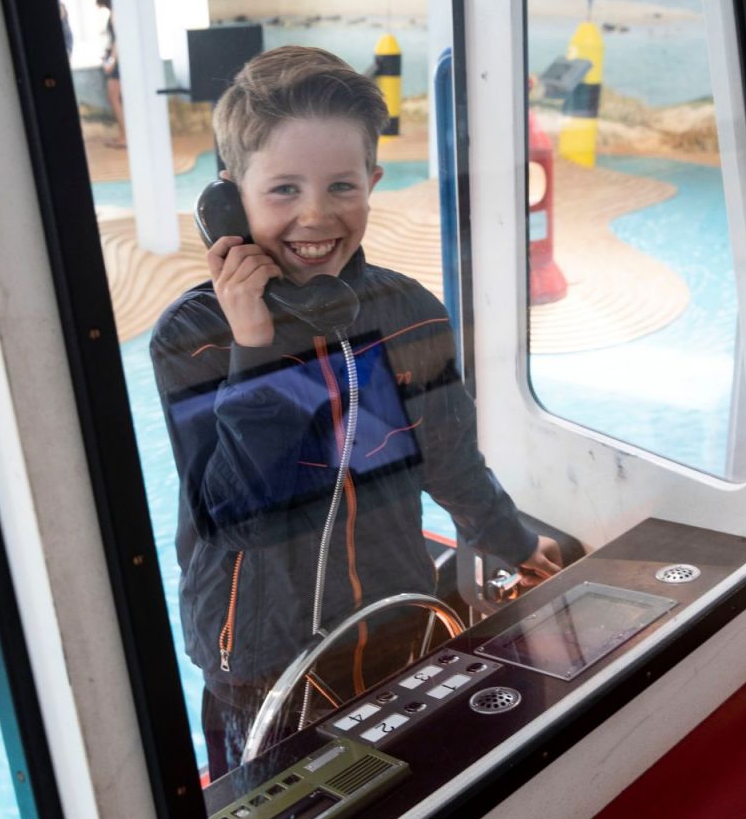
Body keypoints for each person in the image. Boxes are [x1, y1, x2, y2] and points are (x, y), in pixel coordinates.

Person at [150, 46, 562, 780]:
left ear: (373, 180)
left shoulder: (408, 314)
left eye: (342, 184)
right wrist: (257, 346)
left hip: (394, 616)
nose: (316, 214)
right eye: (281, 189)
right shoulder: (196, 337)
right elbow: (237, 514)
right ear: (228, 201)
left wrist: (512, 540)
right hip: (260, 654)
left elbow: (451, 458)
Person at [92, 0, 126, 149]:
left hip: (118, 63)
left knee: (113, 97)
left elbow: (119, 40)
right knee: (116, 98)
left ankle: (125, 136)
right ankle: (124, 135)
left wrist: (111, 62)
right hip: (115, 60)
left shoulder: (116, 13)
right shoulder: (113, 12)